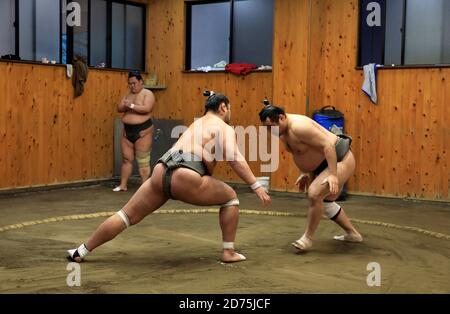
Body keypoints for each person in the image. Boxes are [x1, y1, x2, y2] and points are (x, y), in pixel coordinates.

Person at [68, 91, 271, 263]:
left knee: (126, 215)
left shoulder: (197, 124)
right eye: (230, 108)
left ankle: (81, 250)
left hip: (162, 169)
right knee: (230, 197)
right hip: (186, 174)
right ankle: (228, 252)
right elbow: (234, 159)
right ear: (223, 108)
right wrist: (256, 186)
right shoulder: (223, 127)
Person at [258, 102, 362, 251]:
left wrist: (333, 175)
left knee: (314, 194)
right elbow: (301, 152)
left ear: (281, 118)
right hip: (323, 164)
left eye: (270, 127)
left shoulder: (300, 126)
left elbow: (328, 145)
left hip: (340, 158)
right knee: (324, 201)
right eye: (266, 128)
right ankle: (353, 234)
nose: (270, 131)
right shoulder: (282, 133)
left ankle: (307, 238)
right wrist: (306, 172)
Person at [113, 70, 155, 192]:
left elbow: (147, 109)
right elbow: (119, 108)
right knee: (126, 159)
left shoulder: (148, 94)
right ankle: (123, 185)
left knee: (143, 161)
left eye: (134, 83)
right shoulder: (128, 93)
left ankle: (145, 189)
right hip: (127, 132)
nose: (132, 86)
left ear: (141, 82)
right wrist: (125, 105)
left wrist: (130, 106)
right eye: (130, 83)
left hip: (142, 131)